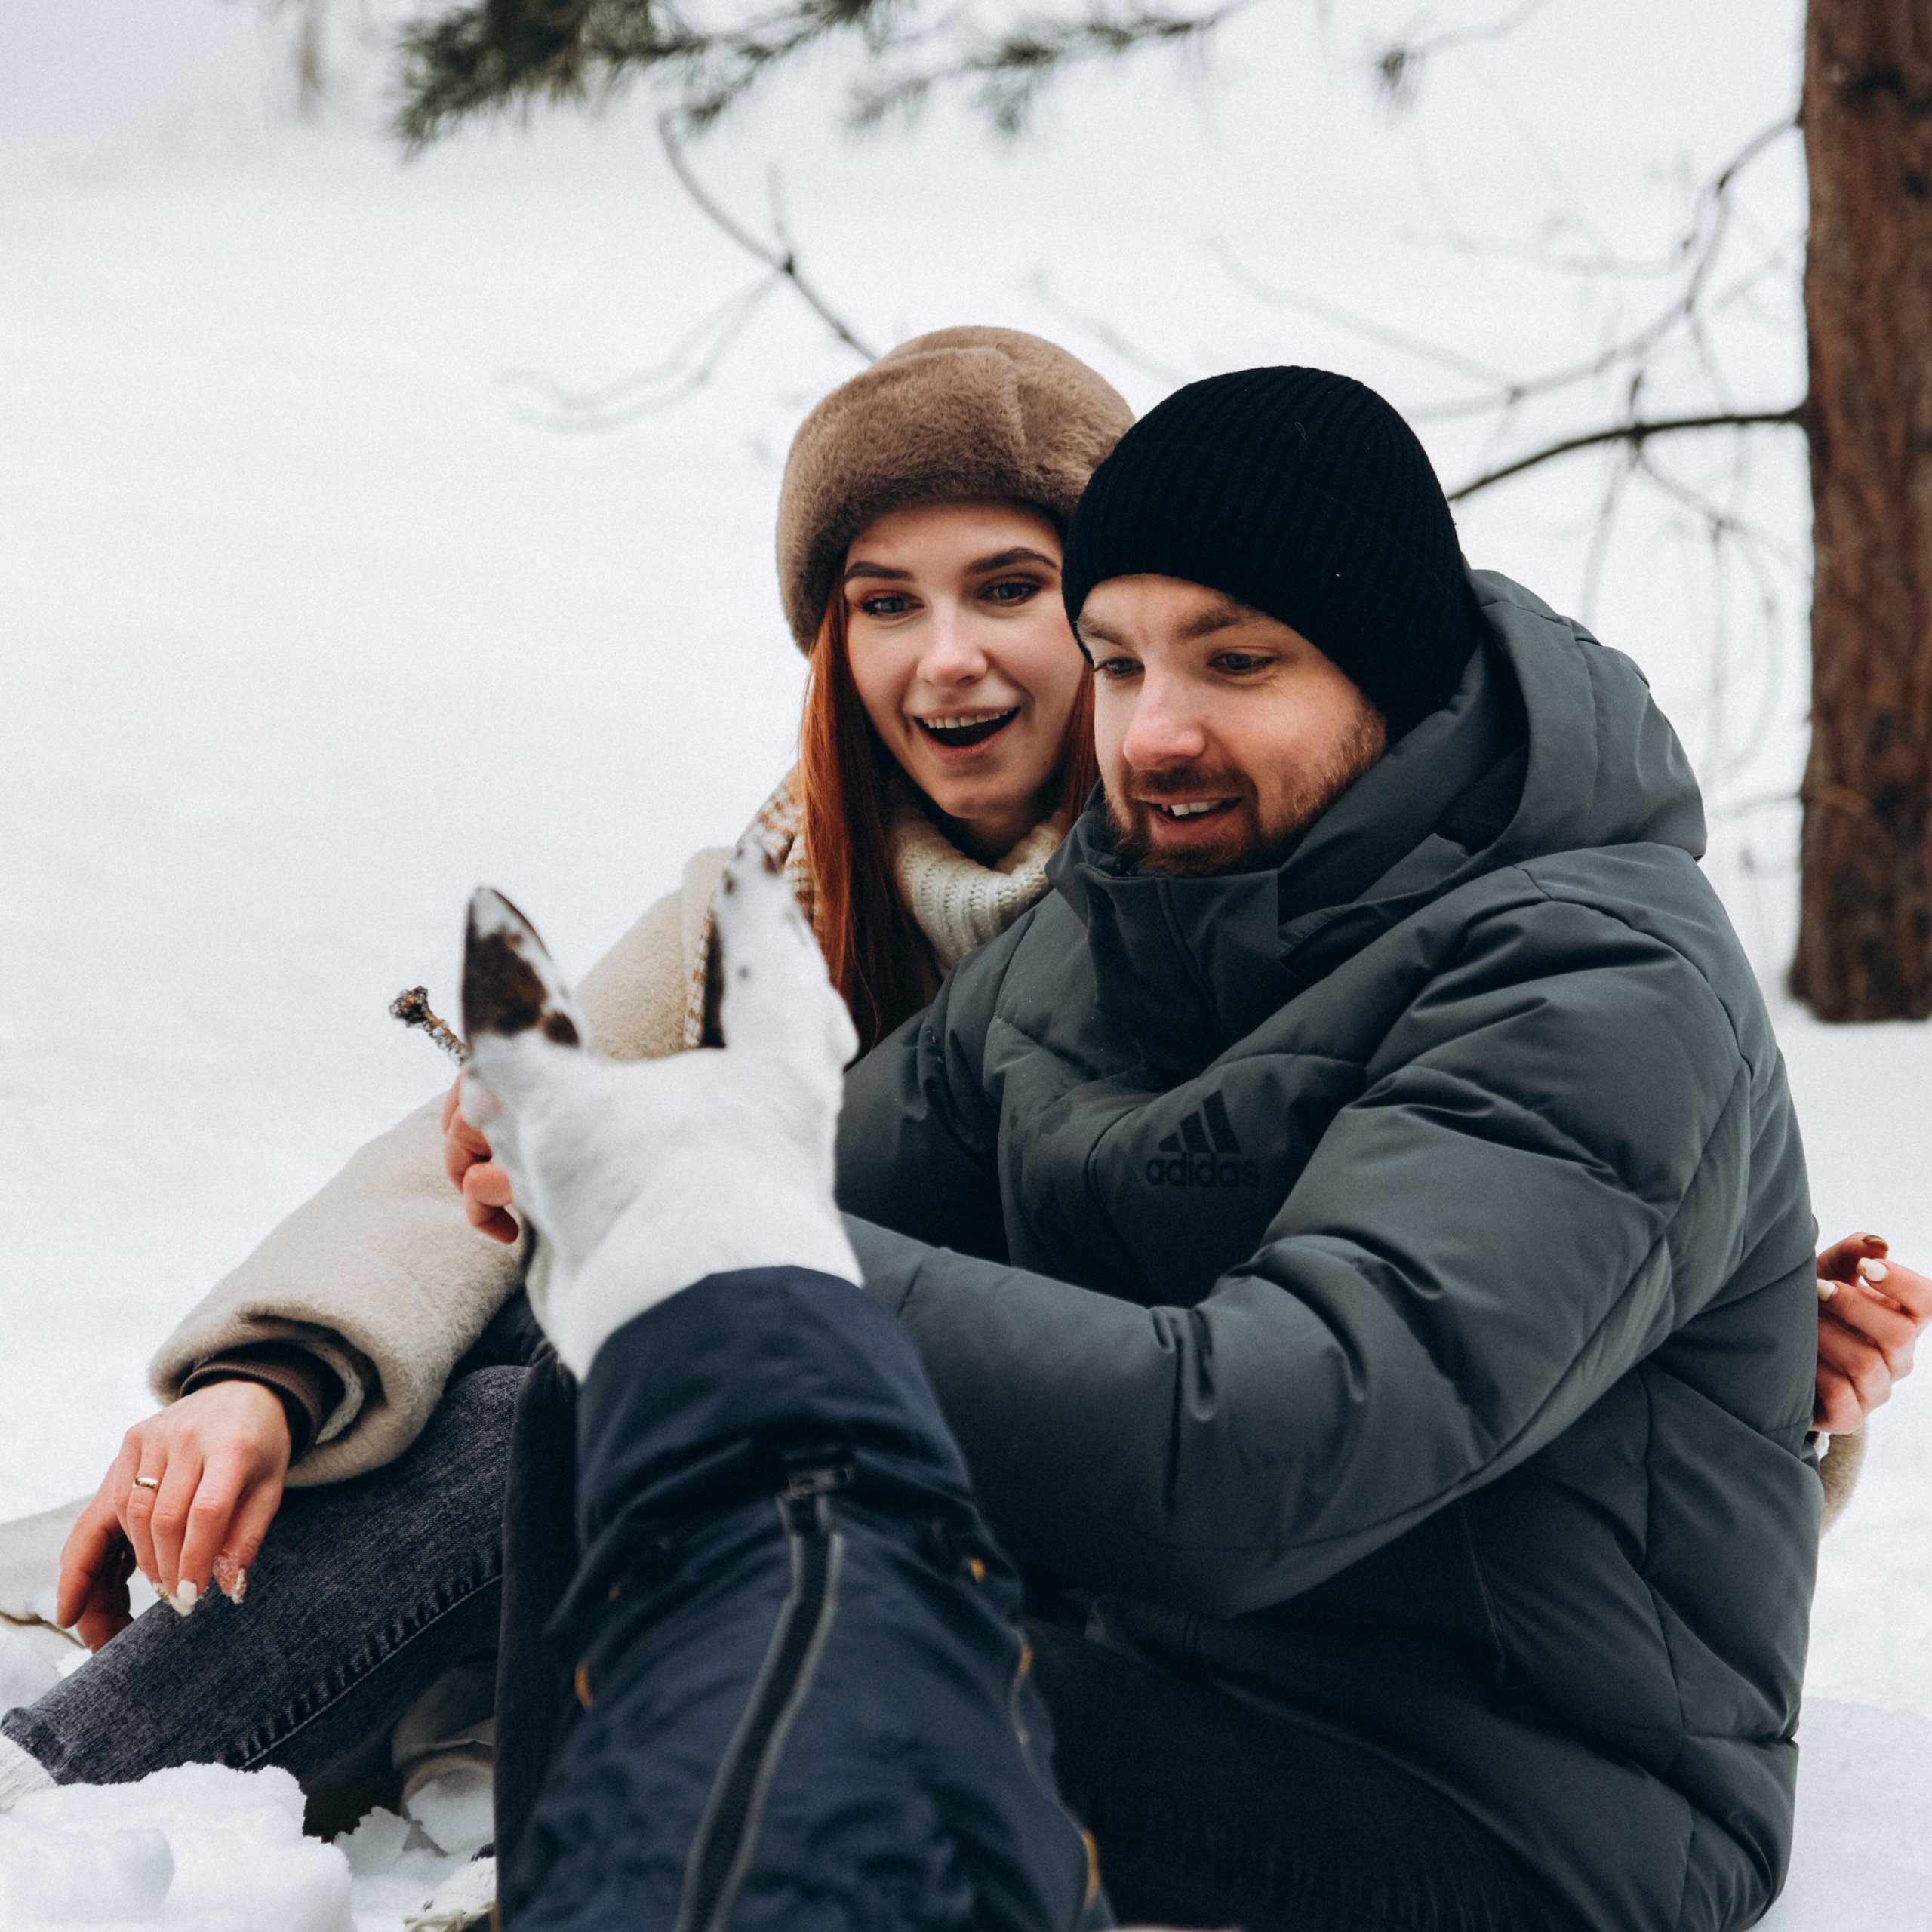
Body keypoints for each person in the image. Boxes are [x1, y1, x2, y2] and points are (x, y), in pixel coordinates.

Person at [2, 329, 1133, 1824]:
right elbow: (464, 1145)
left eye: (1007, 585)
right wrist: (265, 1383)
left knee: (553, 1392)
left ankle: (54, 1799)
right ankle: (139, 1777)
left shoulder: (1179, 902)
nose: (945, 655)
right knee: (454, 1365)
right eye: (882, 603)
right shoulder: (774, 889)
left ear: (1116, 616)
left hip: (981, 1526)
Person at [817, 365, 1854, 1932]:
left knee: (798, 1669)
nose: (1154, 733)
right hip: (1157, 1659)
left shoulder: (1597, 980)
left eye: (1236, 661)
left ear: (1388, 673)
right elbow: (826, 1173)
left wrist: (726, 1242)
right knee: (547, 1417)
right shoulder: (1112, 921)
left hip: (1495, 1794)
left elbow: (1258, 1454)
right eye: (1115, 662)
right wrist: (587, 1183)